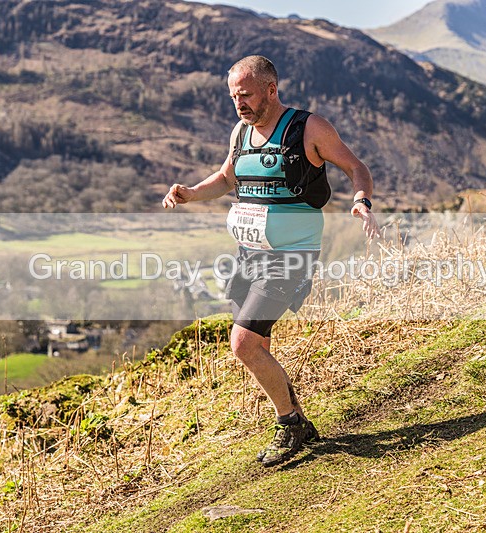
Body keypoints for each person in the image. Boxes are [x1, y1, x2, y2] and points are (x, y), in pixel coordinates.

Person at [162, 55, 379, 467]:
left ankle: (289, 425)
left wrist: (361, 202)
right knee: (256, 344)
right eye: (232, 96)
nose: (238, 103)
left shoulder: (308, 128)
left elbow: (356, 167)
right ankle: (297, 419)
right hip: (250, 256)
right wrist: (191, 191)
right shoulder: (240, 132)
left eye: (245, 94)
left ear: (271, 90)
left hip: (291, 256)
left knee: (242, 343)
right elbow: (227, 179)